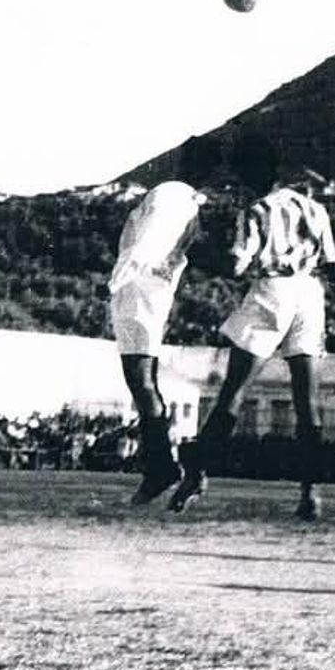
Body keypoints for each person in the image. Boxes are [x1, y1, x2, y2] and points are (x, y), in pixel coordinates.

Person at [167, 133, 335, 521]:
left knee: (233, 393)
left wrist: (196, 249)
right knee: (307, 403)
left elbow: (237, 265)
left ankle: (196, 476)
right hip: (311, 297)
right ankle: (310, 493)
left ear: (250, 173)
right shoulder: (314, 209)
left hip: (272, 291)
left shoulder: (256, 211)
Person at [108, 135, 222, 504]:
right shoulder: (189, 202)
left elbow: (146, 242)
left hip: (140, 286)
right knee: (142, 379)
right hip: (154, 288)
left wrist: (117, 279)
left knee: (140, 379)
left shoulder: (169, 193)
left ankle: (160, 467)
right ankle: (160, 464)